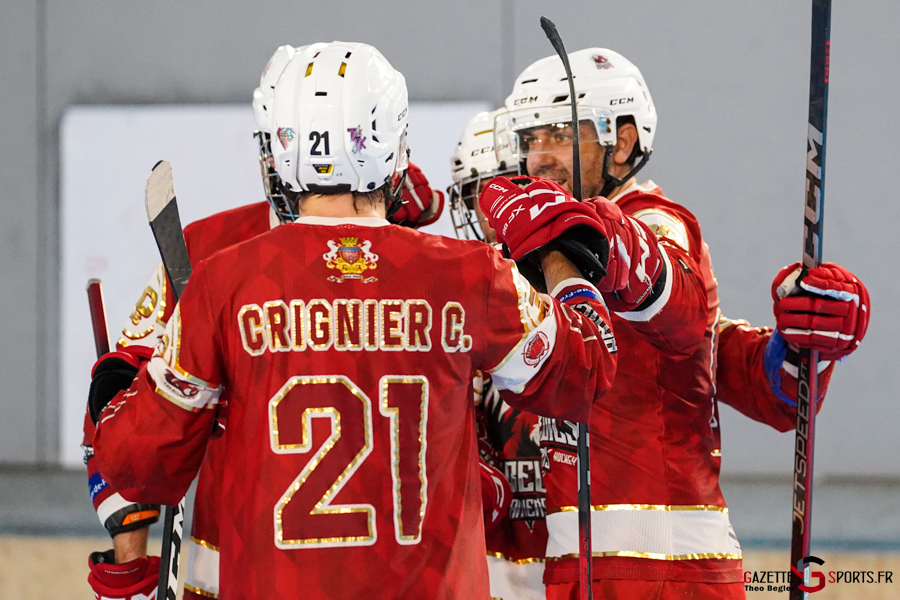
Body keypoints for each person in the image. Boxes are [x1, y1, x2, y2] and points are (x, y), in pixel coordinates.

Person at [89, 41, 623, 600]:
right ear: (393, 143)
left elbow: (137, 465)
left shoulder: (222, 281)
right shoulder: (470, 273)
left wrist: (117, 393)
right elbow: (584, 373)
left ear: (281, 146)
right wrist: (561, 257)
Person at [478, 48, 870, 600]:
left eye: (559, 134)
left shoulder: (652, 220)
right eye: (529, 138)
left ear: (621, 142)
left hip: (662, 570)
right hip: (579, 564)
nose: (538, 157)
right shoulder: (545, 249)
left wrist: (596, 238)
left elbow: (681, 313)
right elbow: (739, 372)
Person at [82, 43, 445, 600]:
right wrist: (130, 548)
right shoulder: (210, 249)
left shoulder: (416, 256)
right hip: (258, 560)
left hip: (363, 565)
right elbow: (130, 388)